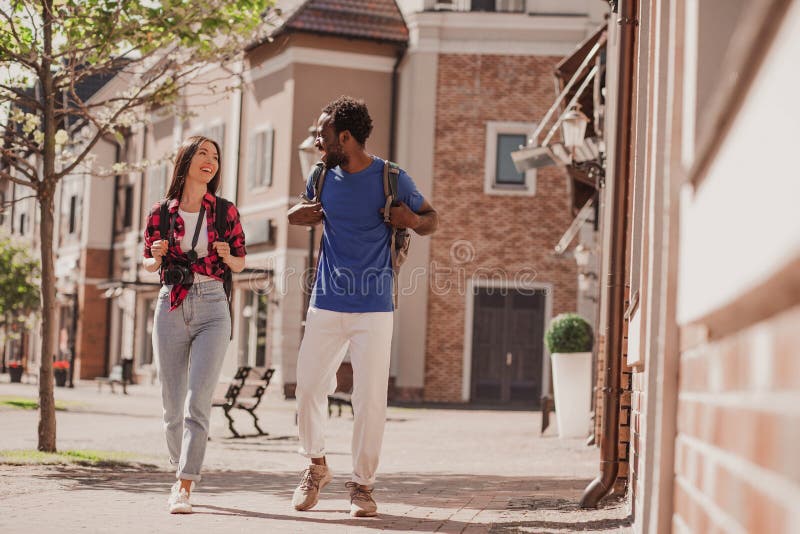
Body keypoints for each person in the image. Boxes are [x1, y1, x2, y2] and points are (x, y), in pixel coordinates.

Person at [287, 96, 439, 517]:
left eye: (323, 133)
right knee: (308, 388)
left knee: (370, 399)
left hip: (374, 305)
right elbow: (296, 212)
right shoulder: (321, 174)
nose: (318, 141)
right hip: (325, 301)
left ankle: (362, 486)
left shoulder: (392, 177)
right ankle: (316, 466)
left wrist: (411, 220)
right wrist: (303, 214)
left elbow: (431, 218)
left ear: (346, 137)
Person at [142, 136, 246, 514]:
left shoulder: (224, 211)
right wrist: (154, 256)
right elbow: (149, 265)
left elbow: (239, 263)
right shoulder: (160, 213)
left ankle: (185, 484)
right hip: (170, 303)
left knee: (196, 403)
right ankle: (179, 470)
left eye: (215, 155)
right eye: (202, 153)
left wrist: (226, 254)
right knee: (172, 407)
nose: (210, 160)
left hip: (213, 306)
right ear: (185, 161)